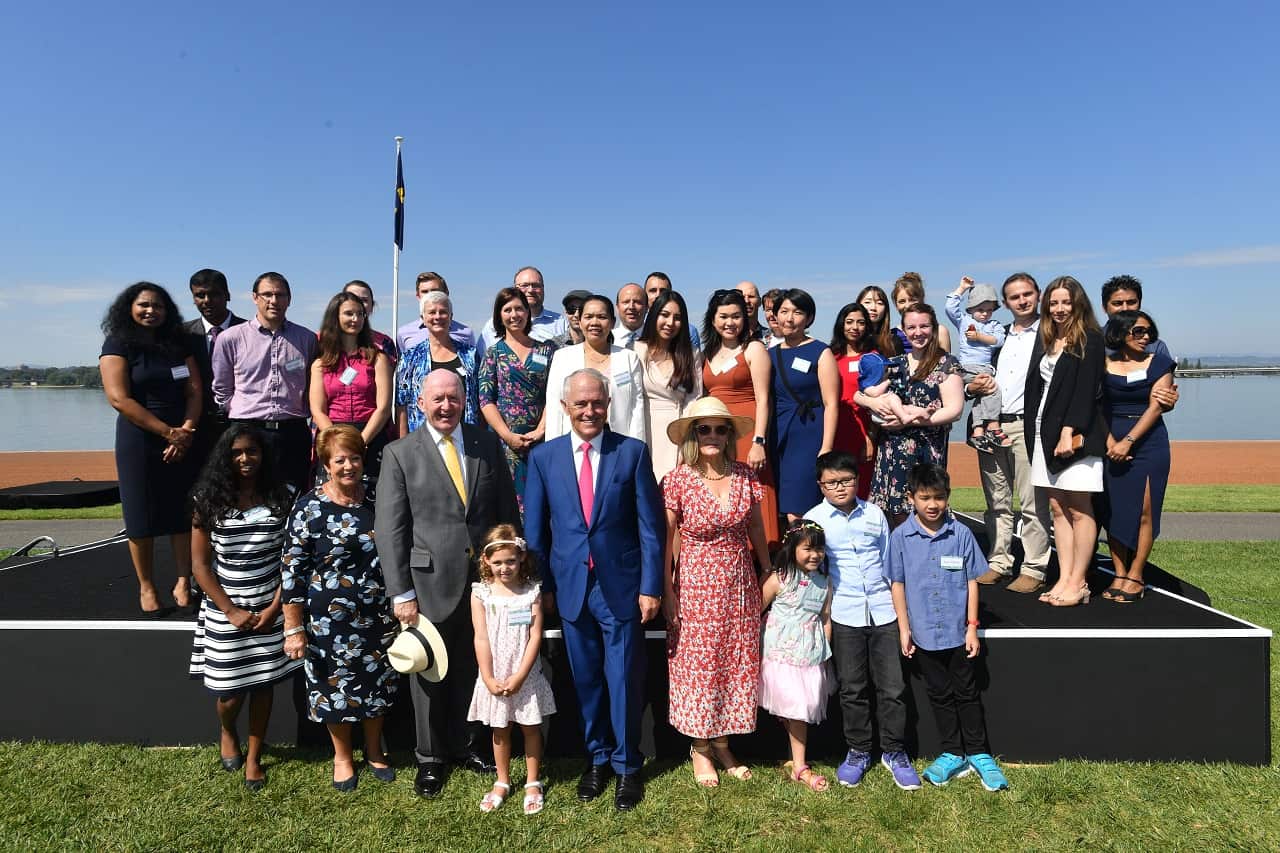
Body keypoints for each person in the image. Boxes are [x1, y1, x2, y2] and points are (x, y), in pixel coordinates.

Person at [523, 369, 665, 811]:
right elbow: (535, 533)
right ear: (565, 408)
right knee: (585, 680)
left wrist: (650, 586)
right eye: (580, 404)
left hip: (620, 587)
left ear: (608, 404)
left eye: (597, 403)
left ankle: (627, 766)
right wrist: (542, 586)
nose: (589, 411)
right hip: (569, 588)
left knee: (623, 679)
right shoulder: (544, 459)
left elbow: (651, 529)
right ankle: (598, 758)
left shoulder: (633, 454)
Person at [375, 370, 521, 798]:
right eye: (437, 398)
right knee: (428, 677)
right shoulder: (400, 454)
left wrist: (507, 570)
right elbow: (390, 530)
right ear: (420, 403)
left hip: (484, 584)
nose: (445, 406)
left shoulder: (484, 443)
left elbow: (503, 511)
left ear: (464, 401)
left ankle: (467, 746)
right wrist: (401, 592)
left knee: (472, 669)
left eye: (453, 398)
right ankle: (430, 758)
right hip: (427, 584)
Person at [281, 425, 399, 791]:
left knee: (378, 685)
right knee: (335, 689)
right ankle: (343, 755)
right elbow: (292, 571)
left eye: (355, 458)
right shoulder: (309, 508)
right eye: (340, 460)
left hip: (377, 616)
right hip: (328, 622)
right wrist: (293, 627)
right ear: (326, 464)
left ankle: (375, 749)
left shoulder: (378, 498)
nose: (349, 466)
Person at [661, 397, 771, 787]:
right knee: (700, 667)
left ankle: (723, 741)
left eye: (720, 429)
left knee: (734, 664)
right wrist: (667, 591)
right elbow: (667, 539)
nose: (712, 435)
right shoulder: (678, 479)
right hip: (695, 585)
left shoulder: (744, 475)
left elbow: (756, 528)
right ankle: (700, 746)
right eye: (703, 428)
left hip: (740, 583)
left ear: (729, 436)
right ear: (693, 434)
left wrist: (767, 571)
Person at [188, 425, 300, 791]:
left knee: (264, 685)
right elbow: (201, 568)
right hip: (226, 608)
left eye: (252, 451)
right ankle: (226, 730)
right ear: (225, 457)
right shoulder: (207, 499)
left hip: (270, 604)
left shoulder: (283, 496)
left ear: (263, 454)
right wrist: (230, 610)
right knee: (230, 692)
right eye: (236, 453)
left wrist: (275, 607)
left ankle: (254, 757)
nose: (245, 459)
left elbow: (292, 559)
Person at [886, 463, 1009, 792]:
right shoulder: (900, 538)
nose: (932, 504)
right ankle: (953, 753)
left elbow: (972, 582)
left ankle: (980, 754)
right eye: (925, 497)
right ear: (910, 497)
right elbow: (897, 584)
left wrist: (972, 627)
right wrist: (904, 628)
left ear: (948, 497)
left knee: (967, 693)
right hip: (924, 634)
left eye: (939, 497)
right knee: (939, 694)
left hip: (957, 632)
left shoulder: (961, 534)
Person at [802, 451, 918, 791]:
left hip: (883, 611)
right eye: (832, 482)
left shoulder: (875, 514)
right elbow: (813, 570)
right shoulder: (815, 520)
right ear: (821, 485)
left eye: (847, 480)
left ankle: (894, 752)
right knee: (853, 689)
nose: (840, 487)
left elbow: (888, 562)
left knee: (893, 688)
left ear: (857, 480)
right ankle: (858, 751)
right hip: (844, 613)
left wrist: (902, 616)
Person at [99, 282, 201, 613]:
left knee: (182, 512)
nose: (151, 311)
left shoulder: (177, 344)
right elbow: (118, 398)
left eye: (158, 306)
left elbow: (195, 391)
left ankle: (184, 580)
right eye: (144, 305)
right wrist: (167, 433)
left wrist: (185, 431)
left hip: (183, 437)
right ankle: (146, 585)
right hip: (139, 440)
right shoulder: (118, 343)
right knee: (140, 516)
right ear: (129, 307)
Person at [1024, 276, 1108, 607]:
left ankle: (1079, 581)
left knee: (1079, 506)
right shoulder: (1047, 338)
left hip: (1074, 436)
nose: (1059, 309)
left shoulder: (1090, 338)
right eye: (1054, 303)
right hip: (1043, 433)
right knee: (1058, 507)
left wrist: (1068, 431)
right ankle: (1064, 576)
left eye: (1066, 303)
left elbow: (1087, 391)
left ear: (1078, 304)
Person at [970, 273, 1054, 595]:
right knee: (997, 501)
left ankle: (1034, 567)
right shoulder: (997, 336)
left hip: (1026, 427)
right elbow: (973, 373)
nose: (1022, 300)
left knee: (1033, 503)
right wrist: (968, 386)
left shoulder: (1048, 334)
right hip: (991, 426)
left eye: (1027, 294)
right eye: (1014, 297)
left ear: (1038, 294)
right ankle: (999, 561)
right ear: (1005, 304)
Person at [467, 526, 556, 815]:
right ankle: (502, 781)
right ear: (486, 561)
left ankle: (533, 781)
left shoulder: (532, 592)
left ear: (521, 558)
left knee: (531, 728)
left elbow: (535, 636)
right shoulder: (481, 594)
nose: (504, 568)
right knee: (500, 729)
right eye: (497, 562)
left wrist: (520, 676)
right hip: (494, 673)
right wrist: (489, 677)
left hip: (524, 673)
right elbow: (480, 636)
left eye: (510, 561)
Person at [212, 272, 317, 492]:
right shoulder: (231, 338)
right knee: (248, 496)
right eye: (267, 294)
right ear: (254, 297)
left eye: (280, 295)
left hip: (292, 431)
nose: (273, 301)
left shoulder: (306, 339)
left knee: (294, 496)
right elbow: (221, 387)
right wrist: (240, 413)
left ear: (289, 299)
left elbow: (311, 384)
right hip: (248, 429)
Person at [861, 303, 964, 525]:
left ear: (934, 328)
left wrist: (914, 420)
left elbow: (954, 410)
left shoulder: (947, 364)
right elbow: (868, 397)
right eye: (912, 327)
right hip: (892, 451)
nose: (918, 332)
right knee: (894, 515)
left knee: (926, 510)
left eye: (924, 326)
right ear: (904, 330)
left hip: (926, 451)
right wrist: (884, 415)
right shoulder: (895, 364)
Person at [1100, 310, 1175, 603]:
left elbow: (1157, 406)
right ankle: (1119, 572)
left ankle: (1135, 575)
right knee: (1114, 509)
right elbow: (1096, 406)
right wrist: (1110, 442)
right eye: (1138, 332)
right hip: (1110, 441)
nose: (1146, 338)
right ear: (1120, 333)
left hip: (1148, 443)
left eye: (1148, 332)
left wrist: (1128, 441)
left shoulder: (1161, 363)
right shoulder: (1102, 364)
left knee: (1145, 510)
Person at [760, 520, 835, 792]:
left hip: (809, 657)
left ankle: (797, 762)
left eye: (820, 549)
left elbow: (825, 619)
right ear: (792, 549)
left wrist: (824, 651)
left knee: (801, 709)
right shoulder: (780, 578)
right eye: (808, 549)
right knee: (794, 708)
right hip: (780, 656)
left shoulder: (824, 583)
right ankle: (800, 764)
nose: (815, 555)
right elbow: (758, 606)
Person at [701, 289, 780, 546]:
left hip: (747, 433)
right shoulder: (707, 353)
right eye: (723, 316)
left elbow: (764, 399)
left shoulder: (754, 349)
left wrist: (759, 441)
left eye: (736, 316)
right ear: (713, 319)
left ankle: (762, 561)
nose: (729, 322)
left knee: (751, 492)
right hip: (715, 434)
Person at [478, 288, 558, 514]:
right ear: (499, 315)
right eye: (507, 310)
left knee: (543, 505)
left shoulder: (548, 350)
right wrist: (508, 436)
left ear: (527, 312)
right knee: (508, 507)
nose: (514, 315)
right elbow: (486, 400)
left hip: (542, 440)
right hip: (505, 444)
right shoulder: (493, 354)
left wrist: (541, 430)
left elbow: (555, 394)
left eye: (519, 308)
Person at [770, 289, 840, 522]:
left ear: (809, 318)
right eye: (784, 311)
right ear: (775, 316)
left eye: (797, 312)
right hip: (777, 434)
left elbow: (831, 403)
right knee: (776, 503)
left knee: (799, 507)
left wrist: (826, 446)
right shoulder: (769, 355)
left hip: (808, 435)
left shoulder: (820, 352)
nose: (789, 318)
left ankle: (804, 554)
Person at [309, 291, 393, 480]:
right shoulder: (320, 364)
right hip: (333, 437)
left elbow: (384, 408)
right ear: (335, 317)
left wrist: (359, 442)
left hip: (370, 436)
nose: (355, 319)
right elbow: (318, 410)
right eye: (349, 313)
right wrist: (337, 442)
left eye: (360, 314)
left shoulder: (378, 359)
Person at [543, 295, 647, 442]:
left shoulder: (629, 358)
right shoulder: (562, 357)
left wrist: (637, 447)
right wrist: (553, 450)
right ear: (579, 321)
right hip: (574, 441)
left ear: (612, 322)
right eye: (589, 317)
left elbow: (636, 408)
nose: (595, 322)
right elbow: (555, 408)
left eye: (602, 317)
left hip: (618, 441)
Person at [635, 290, 702, 482]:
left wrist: (687, 444)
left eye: (677, 318)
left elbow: (693, 400)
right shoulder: (636, 351)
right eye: (664, 315)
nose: (670, 323)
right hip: (644, 430)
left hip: (676, 433)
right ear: (654, 315)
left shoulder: (691, 354)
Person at [395, 290, 481, 435]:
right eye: (432, 312)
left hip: (466, 437)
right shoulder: (410, 358)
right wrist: (404, 446)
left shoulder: (470, 355)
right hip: (423, 441)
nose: (437, 317)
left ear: (451, 317)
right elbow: (401, 405)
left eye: (443, 312)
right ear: (422, 317)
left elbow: (480, 400)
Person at [185, 268, 245, 467]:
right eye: (200, 295)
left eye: (214, 294)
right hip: (195, 427)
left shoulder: (249, 332)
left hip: (239, 425)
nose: (207, 300)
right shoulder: (181, 335)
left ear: (227, 295)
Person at [945, 277, 1010, 451]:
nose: (985, 314)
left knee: (983, 395)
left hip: (985, 368)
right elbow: (950, 308)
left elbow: (999, 341)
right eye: (980, 309)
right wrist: (962, 288)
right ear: (971, 308)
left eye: (989, 310)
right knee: (993, 390)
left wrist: (979, 337)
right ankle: (993, 427)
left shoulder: (995, 325)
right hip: (967, 367)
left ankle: (978, 432)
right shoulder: (965, 321)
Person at [829, 303, 879, 498]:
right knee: (836, 484)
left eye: (860, 322)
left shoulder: (872, 357)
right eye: (849, 322)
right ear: (841, 325)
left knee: (860, 488)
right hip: (835, 428)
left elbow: (878, 402)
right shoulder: (831, 356)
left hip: (862, 432)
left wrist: (870, 438)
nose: (854, 327)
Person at [479, 266, 569, 349]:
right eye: (524, 285)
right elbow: (482, 361)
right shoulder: (492, 326)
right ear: (514, 288)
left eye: (536, 285)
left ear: (543, 288)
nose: (530, 290)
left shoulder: (561, 323)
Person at [397, 271, 480, 355]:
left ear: (446, 293)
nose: (430, 295)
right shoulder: (404, 333)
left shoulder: (466, 334)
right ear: (418, 296)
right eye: (425, 292)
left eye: (435, 291)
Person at [891, 272, 953, 353]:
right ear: (896, 304)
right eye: (902, 301)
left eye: (912, 300)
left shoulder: (939, 332)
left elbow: (947, 363)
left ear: (922, 299)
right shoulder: (892, 335)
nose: (907, 305)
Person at [642, 271, 701, 349]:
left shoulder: (689, 332)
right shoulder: (638, 329)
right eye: (653, 290)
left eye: (663, 291)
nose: (658, 295)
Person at [343, 279, 398, 360]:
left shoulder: (384, 343)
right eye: (352, 298)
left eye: (364, 300)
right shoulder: (322, 340)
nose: (358, 303)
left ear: (372, 306)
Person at [857, 285, 905, 357]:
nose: (873, 307)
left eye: (879, 303)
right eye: (867, 302)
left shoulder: (893, 342)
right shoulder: (849, 342)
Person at [613, 283, 647, 349]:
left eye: (637, 302)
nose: (631, 307)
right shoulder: (606, 339)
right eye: (626, 302)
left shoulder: (657, 340)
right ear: (617, 307)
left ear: (647, 307)